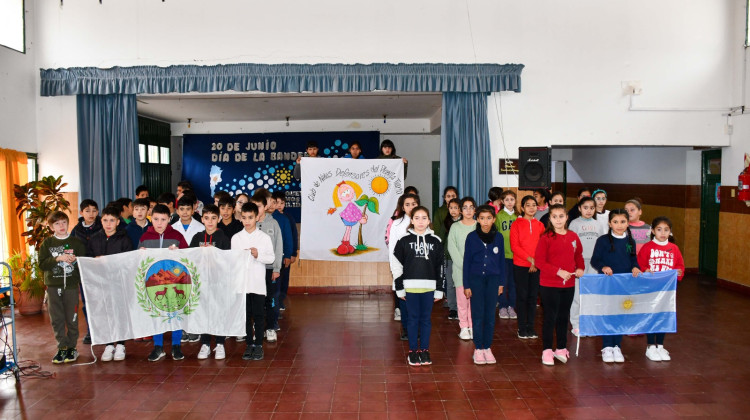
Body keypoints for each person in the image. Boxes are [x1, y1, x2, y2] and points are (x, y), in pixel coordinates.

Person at [392, 206, 445, 366]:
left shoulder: (436, 241)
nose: (420, 221)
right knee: (413, 320)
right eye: (417, 218)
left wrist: (439, 289)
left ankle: (425, 350)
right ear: (412, 220)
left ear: (429, 221)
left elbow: (440, 267)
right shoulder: (404, 241)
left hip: (429, 288)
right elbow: (396, 265)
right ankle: (413, 351)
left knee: (426, 320)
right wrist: (399, 287)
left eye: (424, 218)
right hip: (410, 288)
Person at [139, 204, 189, 361]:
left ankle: (176, 346)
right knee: (156, 313)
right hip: (154, 283)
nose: (159, 223)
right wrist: (140, 254)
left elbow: (188, 258)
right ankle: (158, 346)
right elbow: (138, 262)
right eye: (155, 219)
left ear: (169, 219)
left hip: (174, 282)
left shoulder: (177, 236)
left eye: (163, 219)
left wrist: (179, 253)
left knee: (176, 313)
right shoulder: (145, 238)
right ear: (150, 218)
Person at [535, 204, 584, 365]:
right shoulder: (546, 238)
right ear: (550, 218)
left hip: (568, 285)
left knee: (564, 317)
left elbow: (578, 256)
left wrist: (580, 268)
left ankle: (561, 348)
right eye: (554, 216)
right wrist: (558, 271)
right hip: (549, 284)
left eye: (561, 216)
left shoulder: (573, 237)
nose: (558, 220)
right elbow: (540, 262)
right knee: (550, 316)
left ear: (566, 217)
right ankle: (547, 350)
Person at [591, 209, 642, 363]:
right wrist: (604, 267)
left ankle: (617, 345)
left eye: (623, 222)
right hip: (607, 285)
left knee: (620, 314)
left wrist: (635, 267)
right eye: (615, 222)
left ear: (628, 223)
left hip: (624, 285)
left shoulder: (630, 241)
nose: (619, 225)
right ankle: (607, 346)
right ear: (609, 223)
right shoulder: (603, 241)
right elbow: (595, 260)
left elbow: (633, 260)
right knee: (608, 315)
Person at [38, 211, 87, 364]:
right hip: (53, 286)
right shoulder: (47, 243)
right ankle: (62, 347)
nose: (61, 226)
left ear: (68, 223)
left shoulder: (76, 242)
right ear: (51, 226)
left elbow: (84, 263)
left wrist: (75, 261)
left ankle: (72, 347)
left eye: (64, 222)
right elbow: (42, 264)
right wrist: (57, 258)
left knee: (72, 317)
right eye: (57, 223)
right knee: (57, 318)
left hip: (71, 286)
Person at [86, 206, 133, 362]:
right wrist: (95, 261)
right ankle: (108, 344)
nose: (108, 223)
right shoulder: (94, 238)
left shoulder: (124, 239)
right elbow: (89, 259)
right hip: (101, 283)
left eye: (112, 220)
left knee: (119, 313)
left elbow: (129, 262)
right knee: (105, 313)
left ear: (118, 222)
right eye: (105, 220)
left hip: (119, 283)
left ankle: (120, 343)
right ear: (101, 221)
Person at [637, 216, 685, 362]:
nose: (663, 233)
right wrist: (645, 271)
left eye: (666, 230)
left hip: (667, 291)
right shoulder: (647, 247)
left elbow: (680, 266)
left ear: (670, 232)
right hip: (651, 290)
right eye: (659, 229)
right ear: (653, 231)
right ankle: (651, 345)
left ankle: (660, 345)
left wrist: (678, 273)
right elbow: (640, 264)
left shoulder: (674, 248)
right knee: (652, 316)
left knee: (664, 315)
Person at [232, 202, 276, 361]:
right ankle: (249, 344)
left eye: (250, 217)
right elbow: (232, 261)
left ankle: (258, 345)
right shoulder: (236, 238)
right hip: (242, 284)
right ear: (240, 218)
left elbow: (271, 257)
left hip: (257, 283)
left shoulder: (263, 237)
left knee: (258, 315)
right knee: (246, 315)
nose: (247, 221)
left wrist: (257, 255)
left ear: (257, 217)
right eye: (244, 218)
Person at [463, 205, 505, 365]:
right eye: (482, 218)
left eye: (488, 218)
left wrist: (501, 282)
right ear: (477, 219)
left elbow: (501, 262)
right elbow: (466, 262)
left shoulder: (499, 237)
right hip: (476, 280)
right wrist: (466, 284)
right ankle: (478, 348)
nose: (485, 222)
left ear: (494, 219)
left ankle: (487, 347)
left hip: (493, 280)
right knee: (478, 315)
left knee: (489, 316)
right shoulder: (472, 237)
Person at [189, 204, 231, 360]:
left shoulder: (223, 238)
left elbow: (228, 262)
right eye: (207, 218)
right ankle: (205, 344)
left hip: (218, 283)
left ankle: (220, 343)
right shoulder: (197, 238)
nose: (210, 221)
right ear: (202, 219)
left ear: (219, 219)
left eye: (214, 218)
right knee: (205, 313)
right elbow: (189, 257)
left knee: (218, 312)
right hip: (202, 283)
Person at [567, 196, 606, 336]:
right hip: (580, 263)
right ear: (579, 208)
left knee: (592, 294)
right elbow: (571, 246)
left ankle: (589, 323)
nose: (589, 211)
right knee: (578, 295)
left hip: (594, 263)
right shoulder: (574, 224)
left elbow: (603, 244)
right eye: (585, 208)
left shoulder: (599, 224)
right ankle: (576, 324)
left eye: (591, 208)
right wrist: (574, 263)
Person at [249, 194, 283, 343]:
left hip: (269, 269)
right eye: (254, 205)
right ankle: (258, 328)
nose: (257, 209)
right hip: (253, 269)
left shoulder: (273, 223)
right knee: (256, 301)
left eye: (259, 206)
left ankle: (270, 328)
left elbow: (278, 246)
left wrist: (276, 268)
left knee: (271, 300)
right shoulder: (249, 224)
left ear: (265, 207)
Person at [510, 195, 544, 339]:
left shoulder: (540, 225)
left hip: (536, 266)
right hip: (521, 265)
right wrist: (530, 260)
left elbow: (543, 245)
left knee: (532, 297)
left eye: (534, 205)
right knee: (522, 296)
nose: (531, 207)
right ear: (522, 208)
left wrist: (535, 262)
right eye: (528, 205)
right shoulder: (516, 224)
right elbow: (515, 246)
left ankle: (530, 326)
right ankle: (521, 328)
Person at [387, 193, 420, 339]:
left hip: (419, 268)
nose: (411, 207)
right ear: (402, 207)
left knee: (417, 301)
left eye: (414, 204)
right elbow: (392, 249)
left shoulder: (422, 221)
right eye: (407, 204)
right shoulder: (397, 223)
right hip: (401, 267)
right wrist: (396, 271)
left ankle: (417, 329)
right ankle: (407, 329)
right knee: (405, 300)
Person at [71, 198, 102, 345]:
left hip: (101, 270)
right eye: (87, 211)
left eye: (94, 210)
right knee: (87, 302)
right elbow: (69, 248)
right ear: (81, 212)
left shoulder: (103, 225)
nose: (91, 214)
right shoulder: (76, 231)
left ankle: (105, 329)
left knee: (102, 300)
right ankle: (91, 330)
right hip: (84, 272)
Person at [447, 197, 478, 341]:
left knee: (474, 301)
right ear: (460, 210)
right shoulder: (455, 227)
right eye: (465, 207)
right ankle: (464, 327)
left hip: (476, 271)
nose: (468, 210)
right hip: (460, 271)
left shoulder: (479, 226)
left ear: (475, 210)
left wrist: (474, 266)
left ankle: (473, 326)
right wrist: (465, 266)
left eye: (471, 207)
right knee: (462, 300)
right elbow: (452, 248)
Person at [264, 190, 293, 330]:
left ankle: (273, 320)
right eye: (269, 201)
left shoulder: (282, 219)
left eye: (274, 202)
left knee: (274, 292)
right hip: (260, 264)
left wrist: (287, 255)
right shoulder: (257, 219)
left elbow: (287, 238)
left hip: (276, 262)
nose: (271, 204)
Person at [272, 191, 299, 311]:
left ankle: (281, 300)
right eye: (276, 202)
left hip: (285, 255)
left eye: (281, 203)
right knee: (274, 281)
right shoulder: (269, 217)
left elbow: (293, 236)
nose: (279, 205)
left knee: (284, 279)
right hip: (273, 257)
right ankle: (274, 302)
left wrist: (293, 253)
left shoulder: (288, 218)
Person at [494, 190, 518, 320]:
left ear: (515, 201)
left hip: (516, 256)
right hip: (502, 255)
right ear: (502, 201)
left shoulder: (518, 217)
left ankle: (511, 306)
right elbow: (495, 235)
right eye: (507, 199)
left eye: (512, 199)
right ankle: (502, 306)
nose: (510, 202)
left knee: (513, 283)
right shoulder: (498, 216)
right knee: (502, 282)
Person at [441, 198, 461, 320]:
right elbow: (442, 240)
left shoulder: (465, 222)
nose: (453, 210)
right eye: (451, 208)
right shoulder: (446, 222)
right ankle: (453, 308)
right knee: (450, 284)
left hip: (462, 258)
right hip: (449, 258)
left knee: (460, 284)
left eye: (456, 208)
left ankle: (461, 308)